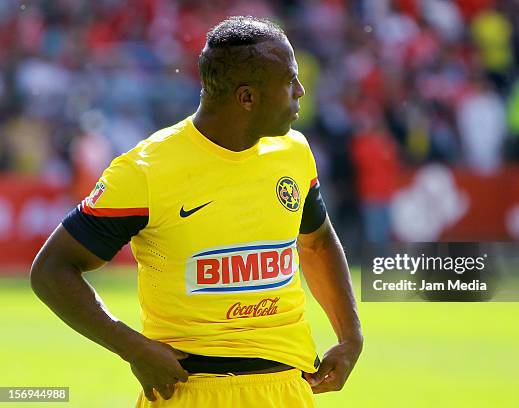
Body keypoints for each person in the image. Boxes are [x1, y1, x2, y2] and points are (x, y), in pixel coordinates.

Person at [30, 16, 362, 407]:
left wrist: (350, 335)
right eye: (290, 80)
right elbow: (52, 269)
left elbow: (318, 243)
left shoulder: (294, 152)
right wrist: (132, 347)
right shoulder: (146, 171)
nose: (301, 91)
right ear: (247, 97)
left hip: (288, 391)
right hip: (191, 391)